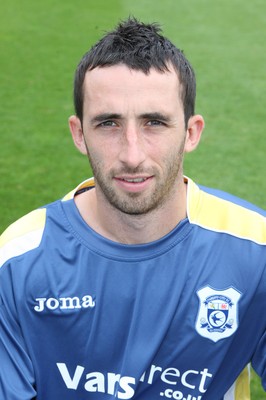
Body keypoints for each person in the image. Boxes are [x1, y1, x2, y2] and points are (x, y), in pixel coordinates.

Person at [0, 17, 265, 400]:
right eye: (108, 123)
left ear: (191, 132)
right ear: (79, 133)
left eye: (154, 122)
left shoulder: (256, 251)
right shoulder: (17, 264)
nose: (132, 154)